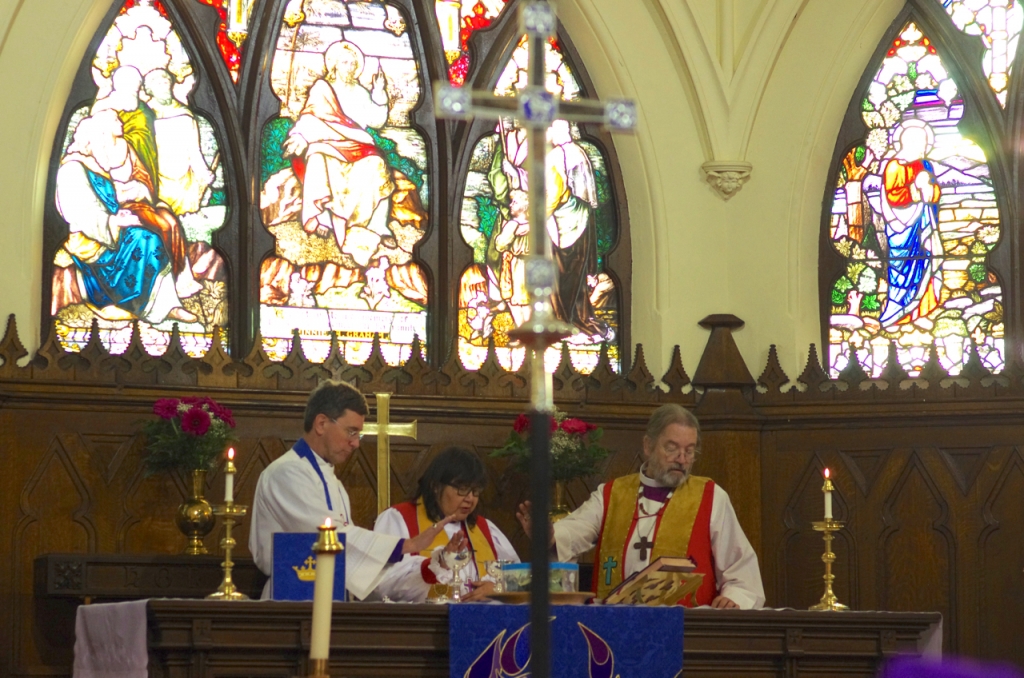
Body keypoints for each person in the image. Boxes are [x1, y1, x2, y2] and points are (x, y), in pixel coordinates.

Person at [516, 404, 765, 609]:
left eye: (689, 451)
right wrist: (550, 535)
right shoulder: (612, 494)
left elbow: (739, 566)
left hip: (686, 630)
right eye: (672, 448)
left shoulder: (711, 496)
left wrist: (735, 597)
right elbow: (577, 528)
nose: (682, 459)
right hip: (615, 624)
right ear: (648, 446)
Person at [249, 380, 454, 600]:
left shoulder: (331, 480)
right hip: (293, 598)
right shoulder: (287, 473)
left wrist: (429, 567)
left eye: (358, 434)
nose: (356, 443)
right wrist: (407, 544)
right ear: (321, 424)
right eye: (351, 432)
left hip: (330, 597)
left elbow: (351, 557)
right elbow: (328, 537)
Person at [283, 40, 395, 268]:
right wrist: (300, 136)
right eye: (345, 62)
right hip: (327, 146)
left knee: (376, 163)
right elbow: (309, 118)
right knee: (317, 158)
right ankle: (325, 220)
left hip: (359, 147)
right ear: (333, 64)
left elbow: (376, 120)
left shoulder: (361, 92)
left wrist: (379, 93)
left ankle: (376, 226)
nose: (350, 67)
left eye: (353, 63)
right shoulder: (322, 89)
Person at [373, 446, 520, 602]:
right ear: (436, 486)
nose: (470, 498)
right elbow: (380, 584)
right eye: (462, 489)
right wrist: (438, 565)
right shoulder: (398, 518)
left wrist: (498, 589)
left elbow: (519, 582)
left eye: (475, 490)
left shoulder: (486, 529)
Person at [878, 118, 943, 327]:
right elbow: (894, 196)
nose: (924, 149)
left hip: (922, 223)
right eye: (921, 144)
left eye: (926, 144)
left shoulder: (925, 165)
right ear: (909, 143)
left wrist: (929, 190)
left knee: (926, 264)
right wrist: (916, 190)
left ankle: (921, 313)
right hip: (900, 228)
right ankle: (898, 315)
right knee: (901, 275)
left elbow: (935, 193)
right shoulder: (893, 167)